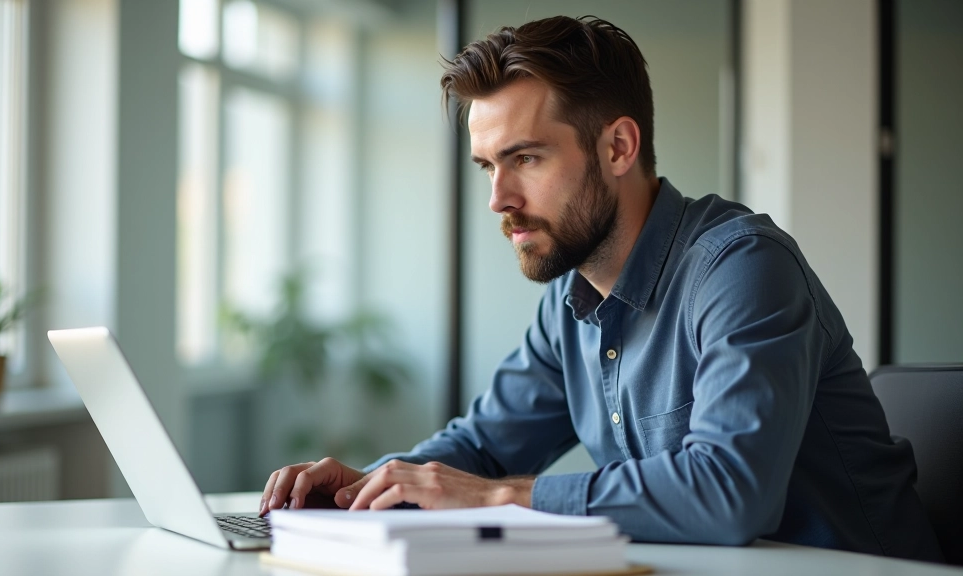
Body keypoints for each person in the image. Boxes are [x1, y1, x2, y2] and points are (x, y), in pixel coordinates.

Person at [258, 15, 942, 561]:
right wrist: (369, 484)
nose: (498, 198)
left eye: (525, 158)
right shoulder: (570, 300)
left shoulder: (742, 268)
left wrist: (496, 497)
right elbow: (482, 448)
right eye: (486, 166)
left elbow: (731, 495)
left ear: (618, 148)